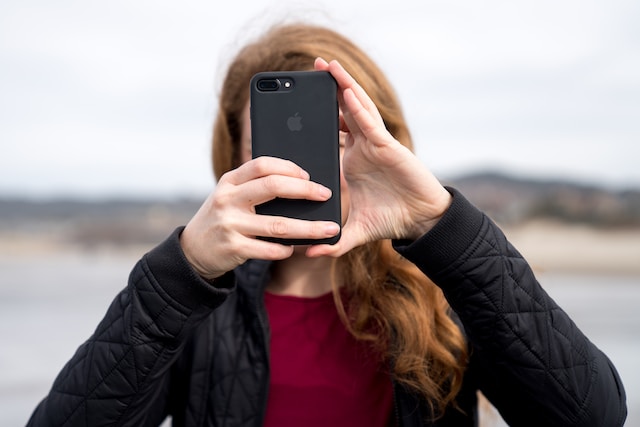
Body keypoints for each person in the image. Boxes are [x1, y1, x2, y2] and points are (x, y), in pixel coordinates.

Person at [28, 23, 626, 427]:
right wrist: (180, 275)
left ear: (383, 139)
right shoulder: (198, 311)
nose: (305, 166)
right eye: (269, 145)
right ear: (233, 161)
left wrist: (442, 226)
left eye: (335, 134)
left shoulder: (446, 287)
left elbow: (591, 415)